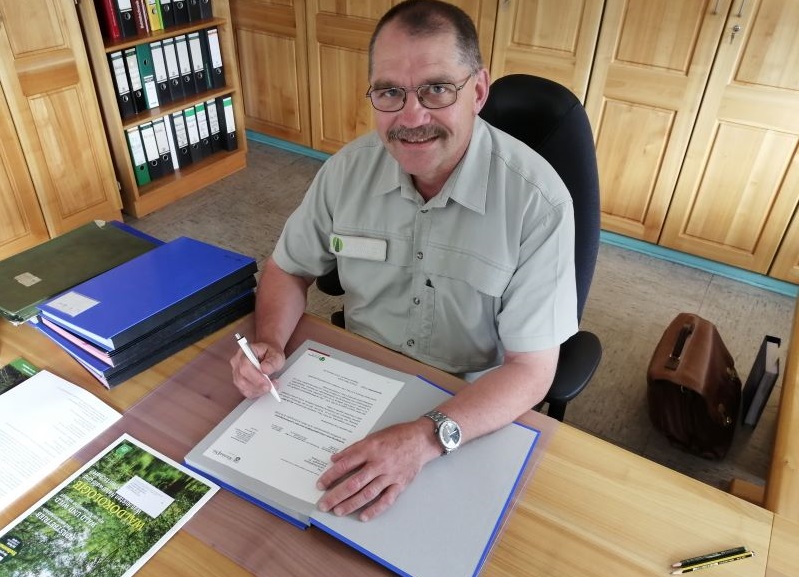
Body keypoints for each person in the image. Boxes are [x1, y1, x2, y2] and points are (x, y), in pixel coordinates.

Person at [230, 0, 577, 522]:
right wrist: (270, 344)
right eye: (390, 92)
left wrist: (427, 437)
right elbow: (288, 267)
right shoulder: (347, 171)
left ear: (478, 91)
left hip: (469, 407)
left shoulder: (538, 202)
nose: (411, 117)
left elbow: (531, 371)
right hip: (355, 385)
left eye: (437, 89)